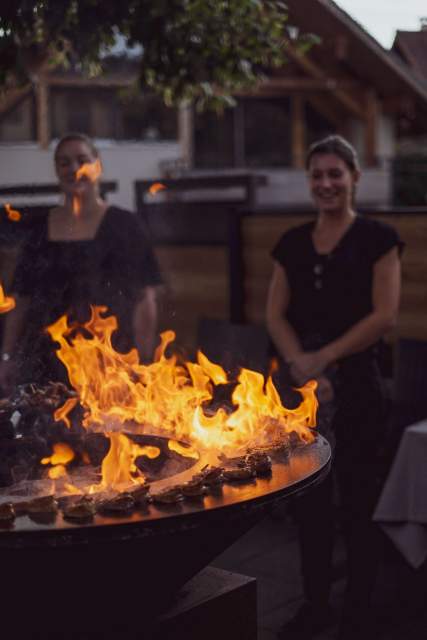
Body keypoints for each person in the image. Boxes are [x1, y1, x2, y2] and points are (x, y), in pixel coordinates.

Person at [266, 135, 403, 639]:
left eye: (335, 174)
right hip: (301, 394)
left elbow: (384, 315)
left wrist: (323, 358)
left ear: (354, 178)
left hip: (361, 387)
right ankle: (316, 604)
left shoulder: (379, 238)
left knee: (359, 505)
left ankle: (359, 612)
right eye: (317, 175)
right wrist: (301, 366)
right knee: (310, 507)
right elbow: (274, 314)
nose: (326, 183)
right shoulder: (292, 242)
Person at [0, 133, 162, 392]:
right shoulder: (40, 230)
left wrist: (143, 360)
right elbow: (21, 300)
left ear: (97, 165)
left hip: (109, 363)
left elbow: (145, 298)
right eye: (64, 163)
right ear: (57, 171)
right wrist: (6, 358)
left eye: (81, 160)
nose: (74, 168)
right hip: (44, 368)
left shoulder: (125, 226)